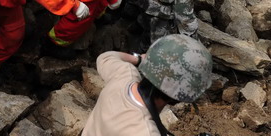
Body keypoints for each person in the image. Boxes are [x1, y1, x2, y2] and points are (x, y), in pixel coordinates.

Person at [82, 34, 213, 136]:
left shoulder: (123, 76)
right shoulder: (145, 131)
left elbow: (105, 57)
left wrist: (140, 59)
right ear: (178, 98)